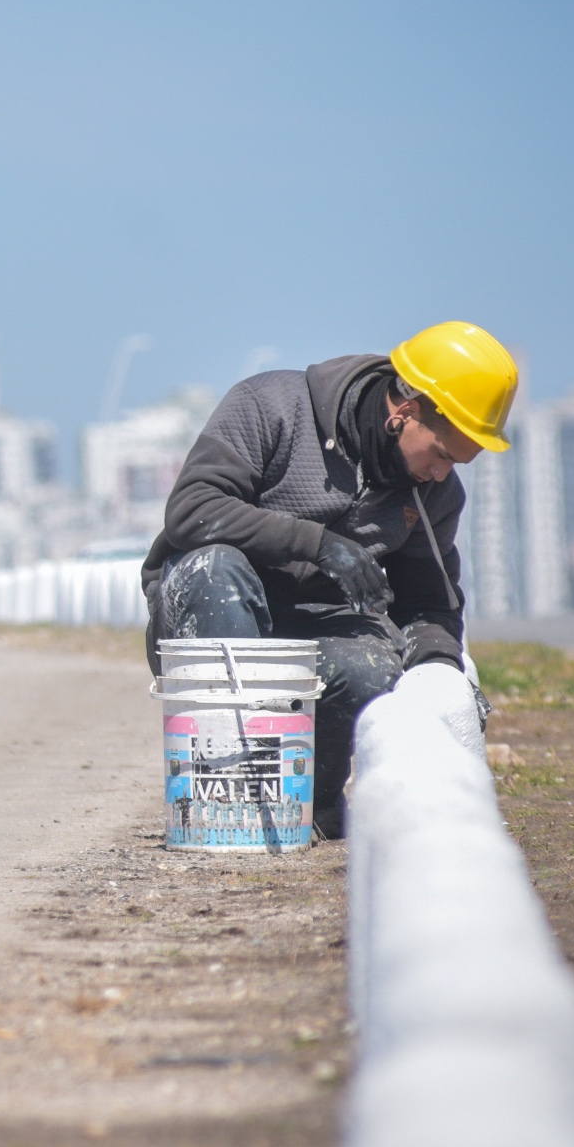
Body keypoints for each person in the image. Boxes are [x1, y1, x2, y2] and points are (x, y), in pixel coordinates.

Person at [141, 321, 518, 840]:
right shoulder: (270, 406)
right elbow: (192, 509)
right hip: (209, 617)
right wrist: (316, 543)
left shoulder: (433, 495)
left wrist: (441, 673)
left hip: (310, 636)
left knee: (375, 669)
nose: (440, 473)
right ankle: (226, 796)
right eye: (441, 454)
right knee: (216, 567)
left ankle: (309, 804)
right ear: (405, 412)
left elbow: (429, 605)